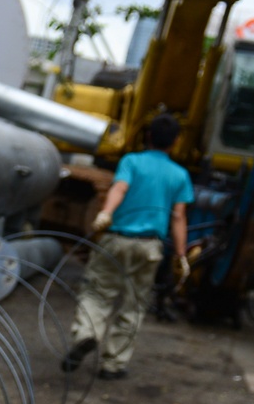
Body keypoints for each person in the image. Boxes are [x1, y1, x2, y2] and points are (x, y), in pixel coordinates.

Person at [64, 112, 192, 379]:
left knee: (98, 293)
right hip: (149, 247)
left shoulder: (131, 161)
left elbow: (119, 189)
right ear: (176, 142)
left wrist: (106, 213)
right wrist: (181, 254)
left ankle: (87, 334)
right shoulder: (180, 175)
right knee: (134, 305)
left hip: (117, 239)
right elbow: (178, 216)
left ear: (148, 136)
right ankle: (113, 365)